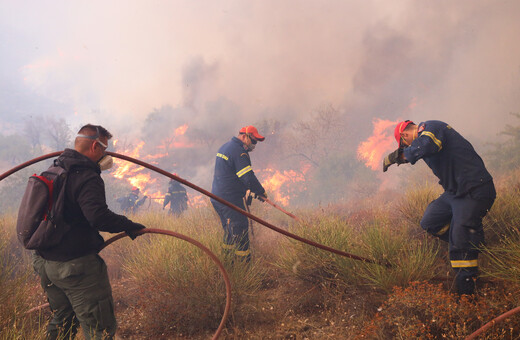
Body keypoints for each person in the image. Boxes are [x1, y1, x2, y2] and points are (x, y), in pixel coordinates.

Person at [31, 124, 146, 339]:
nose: (106, 155)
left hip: (45, 263)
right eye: (104, 149)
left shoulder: (55, 169)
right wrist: (128, 225)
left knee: (63, 320)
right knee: (99, 327)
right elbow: (98, 216)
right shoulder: (87, 177)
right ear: (95, 146)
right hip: (75, 268)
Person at [383, 120, 496, 295]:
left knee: (459, 244)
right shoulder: (422, 140)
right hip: (455, 193)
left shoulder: (430, 128)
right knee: (430, 221)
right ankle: (473, 241)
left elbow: (425, 146)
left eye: (404, 145)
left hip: (475, 190)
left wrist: (396, 156)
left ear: (405, 136)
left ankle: (468, 296)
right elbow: (417, 151)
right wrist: (397, 158)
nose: (407, 148)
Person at [211, 125, 267, 263]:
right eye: (253, 141)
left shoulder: (225, 147)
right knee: (240, 229)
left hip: (217, 197)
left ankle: (227, 262)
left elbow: (230, 176)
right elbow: (247, 176)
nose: (254, 145)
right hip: (229, 199)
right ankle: (244, 267)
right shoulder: (239, 152)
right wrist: (261, 192)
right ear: (244, 136)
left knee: (230, 231)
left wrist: (247, 191)